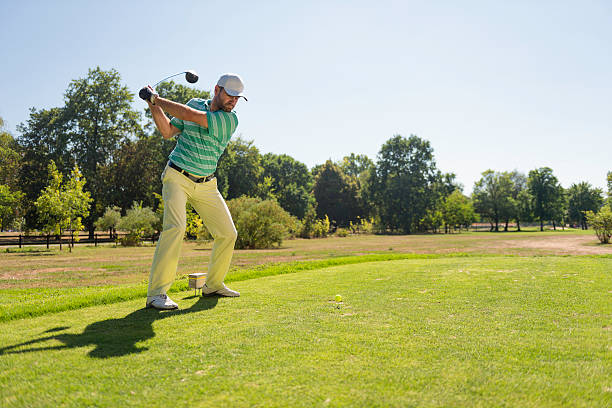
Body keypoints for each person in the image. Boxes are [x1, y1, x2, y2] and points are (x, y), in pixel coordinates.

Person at [139, 73, 247, 310]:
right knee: (175, 228)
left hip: (207, 184)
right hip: (177, 176)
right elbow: (167, 131)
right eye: (230, 95)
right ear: (217, 89)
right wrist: (152, 105)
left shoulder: (230, 120)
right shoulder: (194, 103)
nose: (234, 101)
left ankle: (213, 284)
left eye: (238, 98)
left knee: (228, 233)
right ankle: (156, 294)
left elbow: (191, 117)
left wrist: (156, 99)